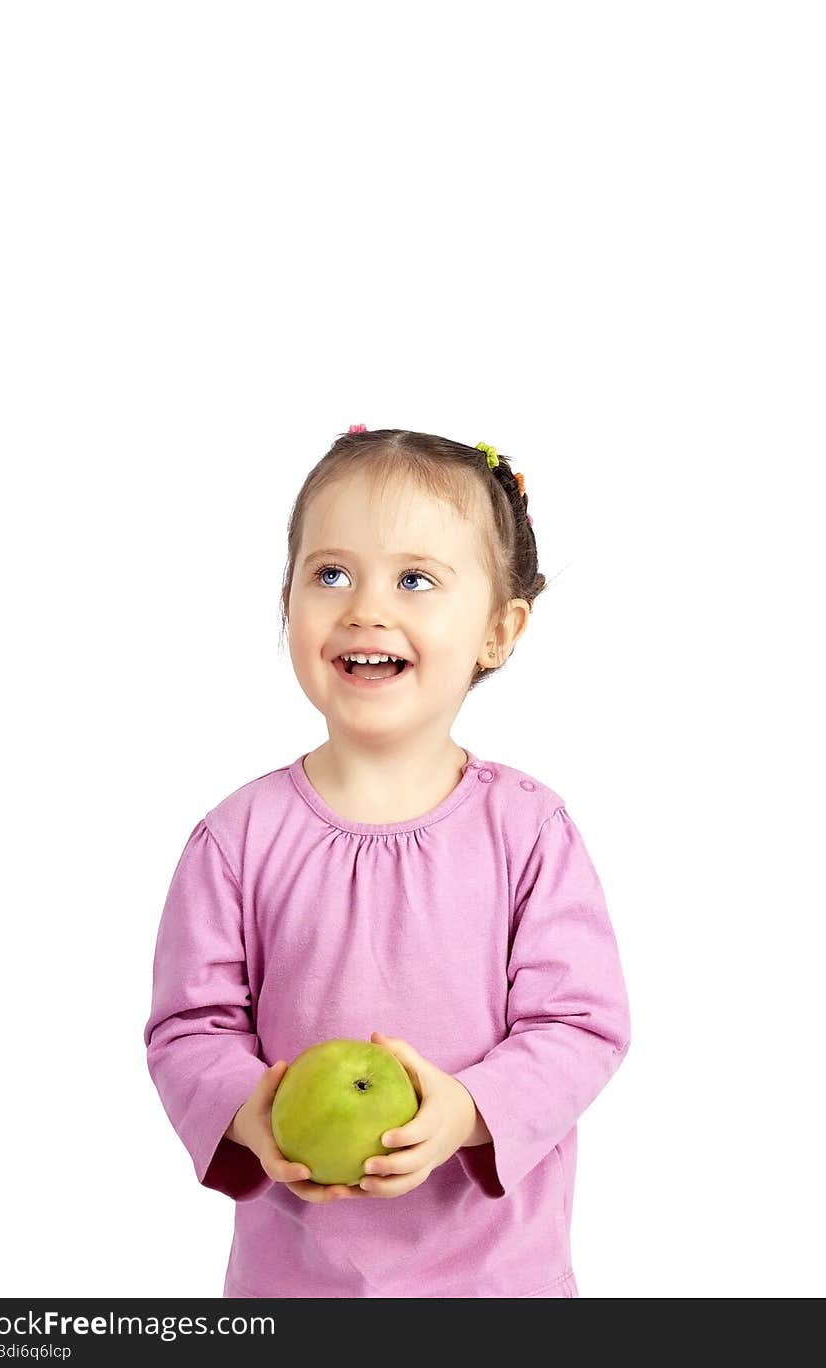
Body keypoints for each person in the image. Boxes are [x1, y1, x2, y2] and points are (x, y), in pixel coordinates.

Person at [143, 424, 631, 1298]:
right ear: (285, 602)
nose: (367, 607)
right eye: (331, 574)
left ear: (499, 629)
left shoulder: (528, 831)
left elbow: (580, 1025)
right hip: (295, 1282)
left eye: (415, 579)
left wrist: (471, 1110)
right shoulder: (235, 838)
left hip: (497, 1283)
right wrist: (250, 1112)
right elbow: (190, 1028)